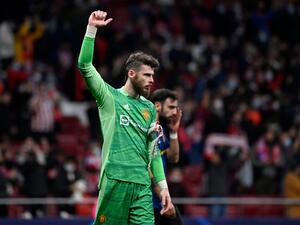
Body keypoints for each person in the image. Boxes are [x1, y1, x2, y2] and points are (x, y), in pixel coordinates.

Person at [77, 10, 172, 225]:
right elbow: (84, 66)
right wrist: (91, 29)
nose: (151, 81)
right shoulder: (109, 97)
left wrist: (163, 188)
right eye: (147, 75)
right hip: (114, 181)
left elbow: (154, 152)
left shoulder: (149, 109)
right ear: (131, 73)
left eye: (153, 76)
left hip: (142, 187)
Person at [150, 89, 184, 225]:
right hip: (145, 201)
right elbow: (147, 168)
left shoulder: (163, 129)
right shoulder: (146, 128)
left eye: (176, 108)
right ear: (157, 106)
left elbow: (173, 158)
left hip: (161, 199)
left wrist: (174, 132)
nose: (175, 112)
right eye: (171, 107)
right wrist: (163, 196)